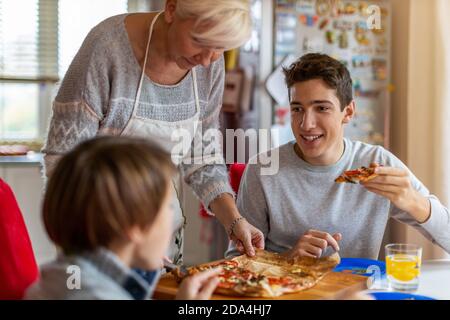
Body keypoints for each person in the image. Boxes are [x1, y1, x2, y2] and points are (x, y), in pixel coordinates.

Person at [42, 0, 264, 267]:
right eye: (199, 41)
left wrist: (234, 221)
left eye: (219, 49)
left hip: (160, 236)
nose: (206, 60)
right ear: (171, 9)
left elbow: (203, 156)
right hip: (92, 232)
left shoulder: (208, 66)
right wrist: (115, 241)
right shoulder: (107, 47)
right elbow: (63, 163)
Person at [227, 53, 450, 259]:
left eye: (322, 108)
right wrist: (286, 261)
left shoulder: (377, 164)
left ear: (348, 112)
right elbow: (235, 263)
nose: (306, 124)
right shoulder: (263, 169)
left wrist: (414, 202)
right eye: (297, 109)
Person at [26, 136, 221, 300]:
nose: (173, 218)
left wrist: (136, 260)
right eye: (168, 207)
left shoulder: (61, 276)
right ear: (135, 228)